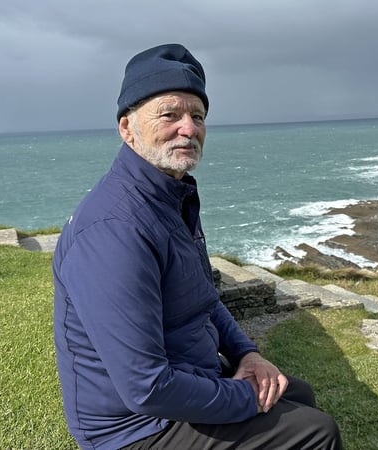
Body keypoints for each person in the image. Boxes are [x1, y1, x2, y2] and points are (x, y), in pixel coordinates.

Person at [52, 43, 343, 450]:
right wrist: (245, 396)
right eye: (169, 114)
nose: (188, 129)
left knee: (297, 395)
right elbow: (146, 388)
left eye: (198, 116)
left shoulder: (172, 195)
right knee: (315, 432)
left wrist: (246, 354)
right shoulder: (114, 231)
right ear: (127, 128)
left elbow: (203, 298)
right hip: (136, 429)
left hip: (187, 375)